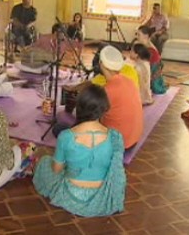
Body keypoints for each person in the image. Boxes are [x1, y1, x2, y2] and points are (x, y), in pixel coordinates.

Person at [33, 85, 126, 217]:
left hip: (72, 195)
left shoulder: (65, 136)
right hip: (101, 197)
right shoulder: (116, 137)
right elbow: (115, 171)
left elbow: (57, 170)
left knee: (44, 162)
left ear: (79, 107)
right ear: (104, 109)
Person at [99, 46, 143, 150]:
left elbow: (95, 121)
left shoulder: (107, 90)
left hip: (118, 144)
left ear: (101, 64)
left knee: (62, 130)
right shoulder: (129, 81)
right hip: (133, 140)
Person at [137, 25, 167, 94]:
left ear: (146, 36)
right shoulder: (144, 45)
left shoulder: (150, 49)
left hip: (153, 70)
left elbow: (148, 67)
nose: (137, 37)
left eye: (139, 35)